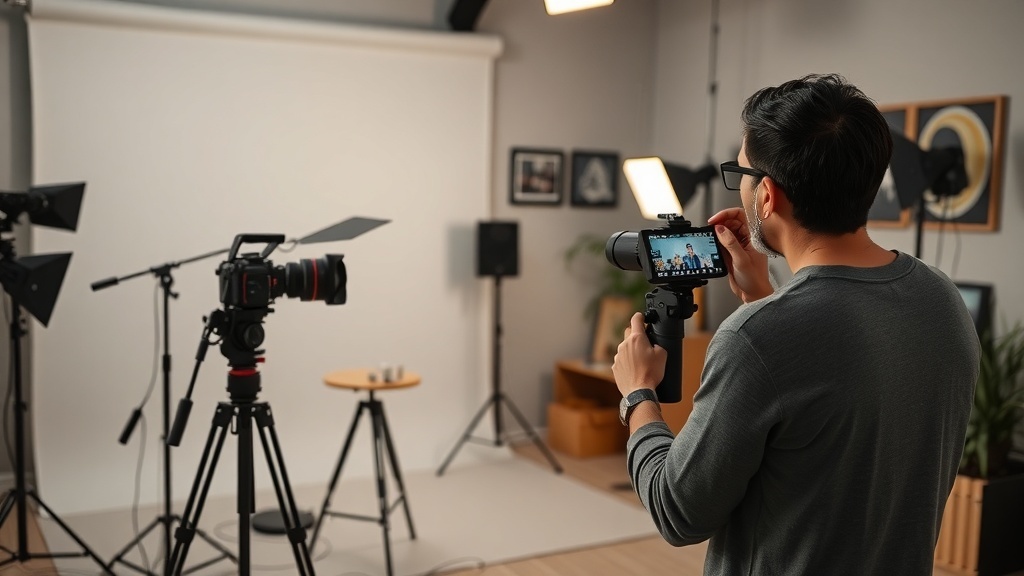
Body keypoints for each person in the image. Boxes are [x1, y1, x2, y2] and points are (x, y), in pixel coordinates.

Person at [611, 74, 979, 575]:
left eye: (738, 174)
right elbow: (826, 415)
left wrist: (638, 395)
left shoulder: (757, 339)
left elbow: (679, 511)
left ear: (767, 196)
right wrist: (763, 298)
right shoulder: (941, 298)